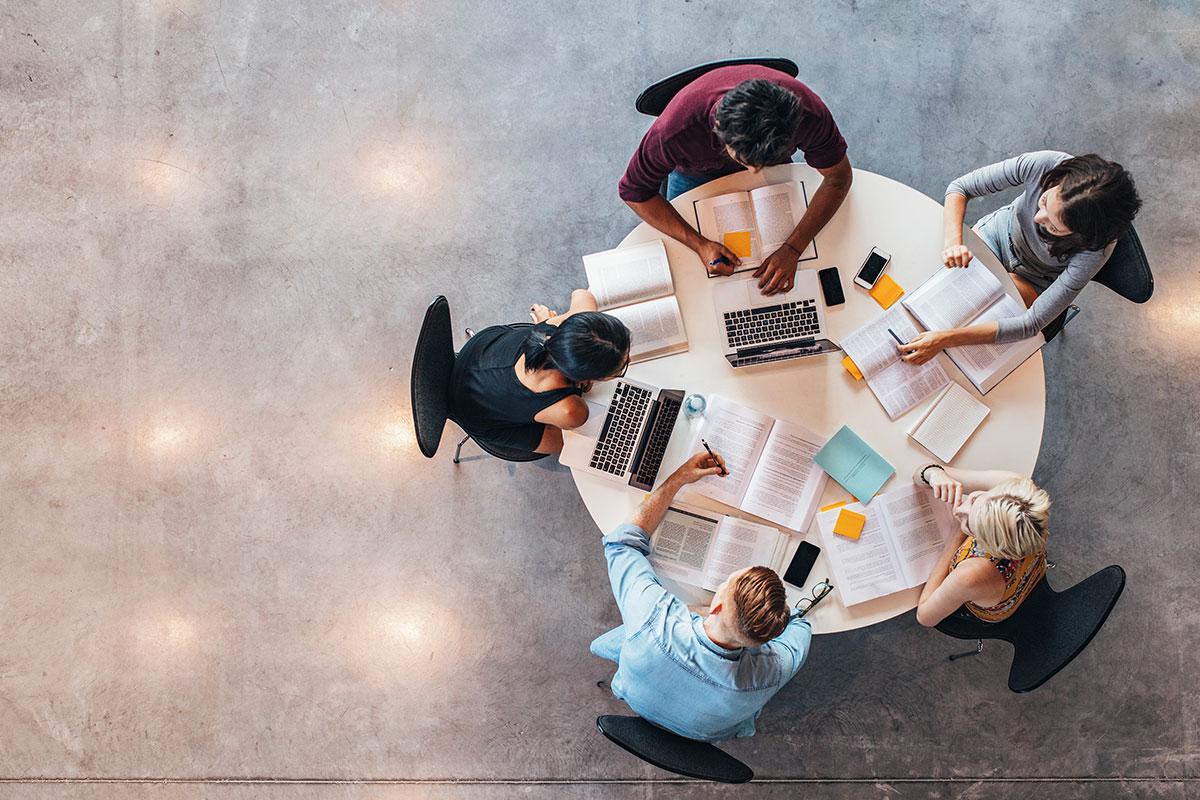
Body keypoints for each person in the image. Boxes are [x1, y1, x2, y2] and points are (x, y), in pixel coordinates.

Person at [590, 450, 813, 742]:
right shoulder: (772, 671)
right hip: (704, 734)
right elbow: (801, 628)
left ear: (717, 605)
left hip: (635, 694)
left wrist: (680, 477)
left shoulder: (653, 620)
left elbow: (622, 544)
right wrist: (782, 615)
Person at [618, 65, 852, 295]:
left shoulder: (809, 113)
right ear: (718, 129)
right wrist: (699, 244)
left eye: (763, 163)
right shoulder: (674, 132)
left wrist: (793, 248)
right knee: (689, 271)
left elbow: (838, 178)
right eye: (746, 160)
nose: (754, 173)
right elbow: (634, 192)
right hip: (694, 173)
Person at [898, 151, 1142, 365]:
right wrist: (953, 243)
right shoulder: (1046, 164)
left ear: (1081, 237)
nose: (1037, 218)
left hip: (1035, 278)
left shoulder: (1095, 251)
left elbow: (1031, 323)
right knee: (929, 281)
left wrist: (946, 339)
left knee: (970, 326)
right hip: (996, 237)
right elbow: (960, 188)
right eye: (1044, 201)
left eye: (1053, 227)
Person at [450, 290, 630, 455]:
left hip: (477, 355)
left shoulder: (554, 327)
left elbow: (582, 295)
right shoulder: (572, 411)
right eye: (621, 369)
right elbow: (571, 424)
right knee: (576, 448)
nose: (628, 361)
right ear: (588, 377)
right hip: (475, 414)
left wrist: (557, 320)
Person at [913, 464, 1051, 627]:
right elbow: (920, 473)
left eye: (969, 526)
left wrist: (956, 536)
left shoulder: (971, 575)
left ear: (988, 546)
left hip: (992, 606)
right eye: (974, 499)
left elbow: (925, 616)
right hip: (1031, 568)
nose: (959, 510)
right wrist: (934, 474)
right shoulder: (1014, 488)